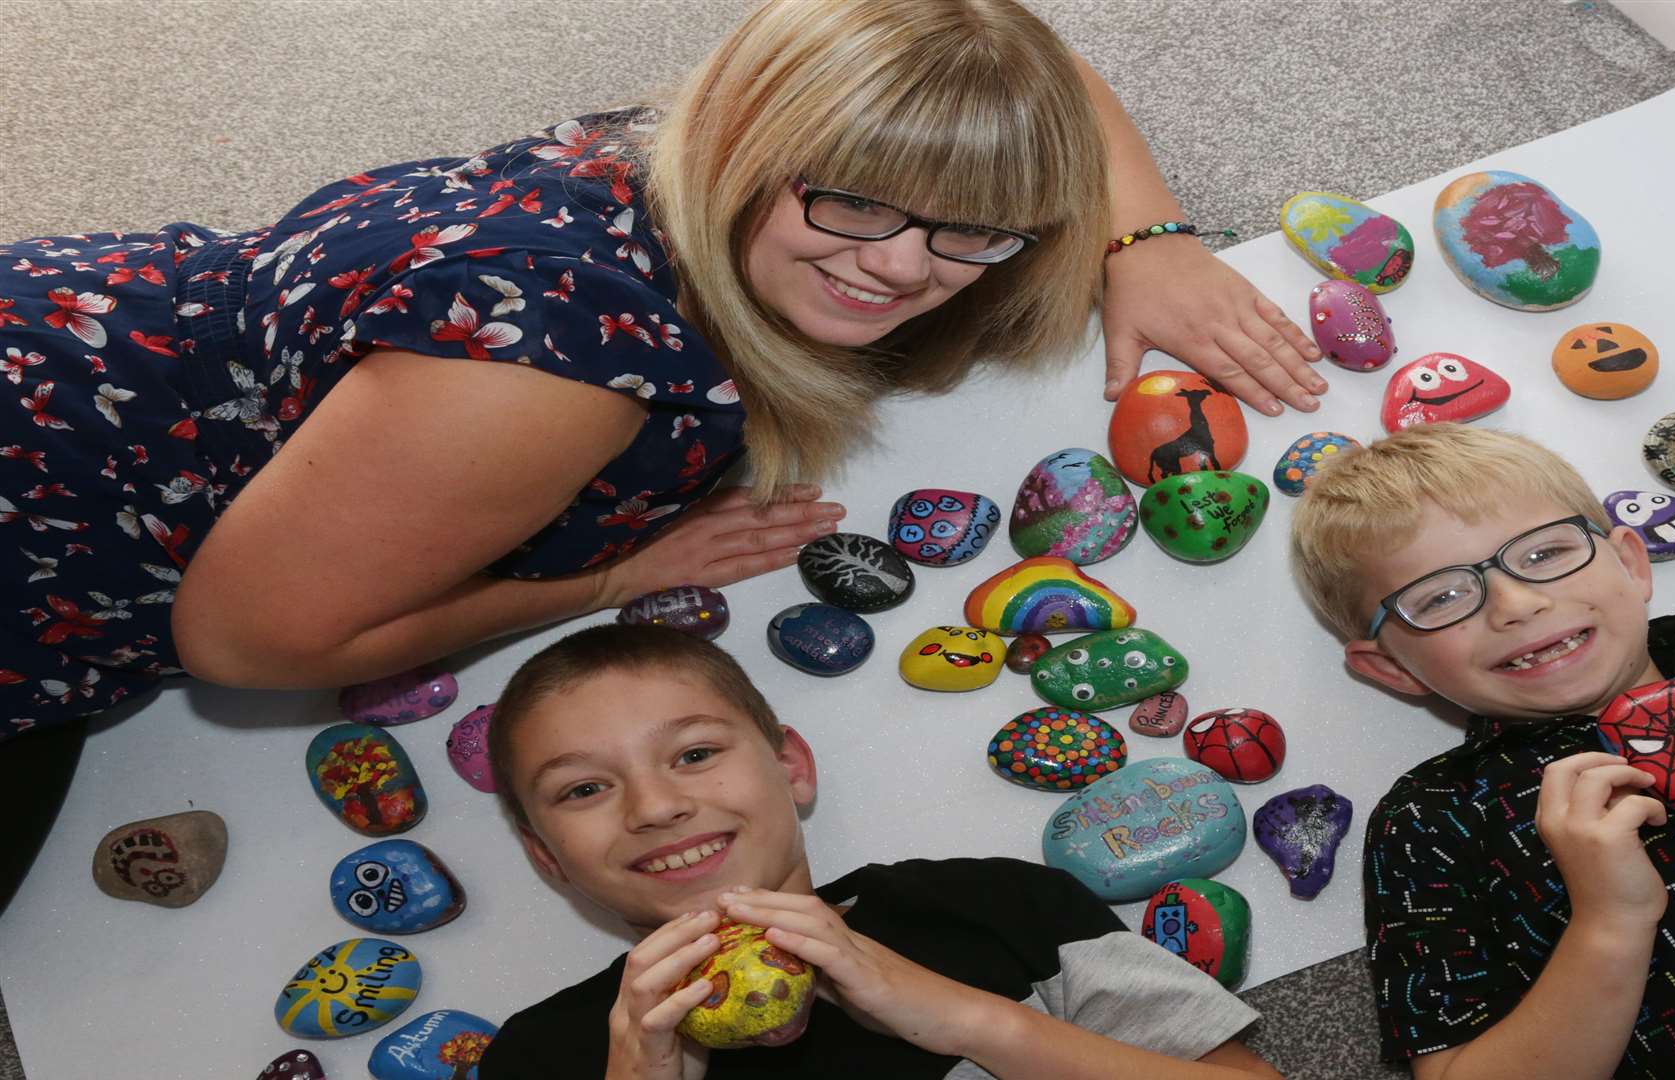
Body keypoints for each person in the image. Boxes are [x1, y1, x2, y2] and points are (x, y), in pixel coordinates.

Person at [0, 0, 1322, 910]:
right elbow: (244, 646)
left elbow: (1002, 56)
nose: (908, 266)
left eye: (977, 230)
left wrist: (1152, 239)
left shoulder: (716, 140)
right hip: (61, 514)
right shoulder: (556, 384)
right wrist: (616, 577)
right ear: (755, 138)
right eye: (855, 203)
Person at [1288, 424, 1675, 1079]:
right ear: (1391, 668)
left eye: (1543, 554)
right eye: (1441, 597)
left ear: (1631, 562)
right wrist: (1610, 921)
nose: (1517, 604)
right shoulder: (1430, 823)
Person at [476, 622, 1280, 1078]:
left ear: (791, 767)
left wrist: (969, 1019)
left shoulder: (994, 906)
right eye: (584, 789)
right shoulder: (541, 1057)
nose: (656, 807)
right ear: (546, 856)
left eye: (694, 754)